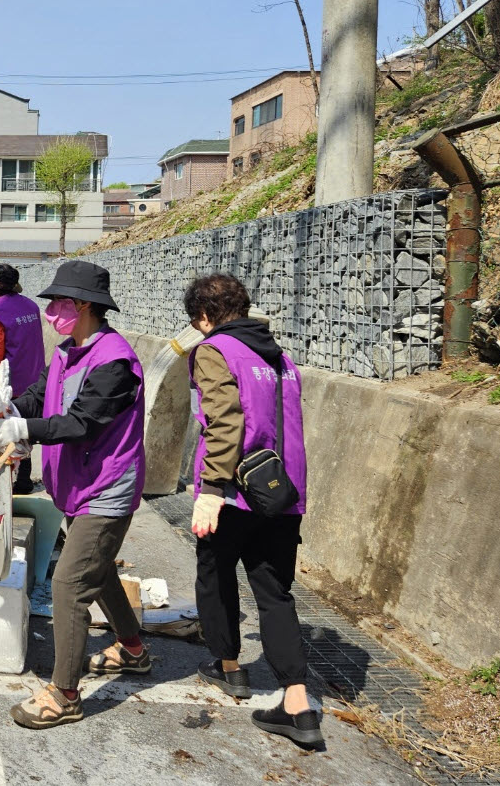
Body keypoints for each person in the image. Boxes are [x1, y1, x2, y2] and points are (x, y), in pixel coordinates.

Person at [0, 260, 152, 729]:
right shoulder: (66, 350)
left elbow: (83, 421)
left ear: (83, 305)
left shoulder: (115, 361)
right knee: (96, 573)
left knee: (68, 582)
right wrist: (2, 408)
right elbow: (41, 396)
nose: (51, 312)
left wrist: (23, 429)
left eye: (58, 303)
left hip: (107, 488)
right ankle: (135, 650)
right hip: (77, 487)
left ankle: (64, 694)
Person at [185, 273, 321, 751]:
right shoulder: (280, 356)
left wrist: (210, 488)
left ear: (204, 317)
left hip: (237, 491)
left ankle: (229, 669)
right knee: (274, 592)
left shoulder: (214, 350)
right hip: (284, 492)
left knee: (216, 572)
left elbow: (226, 421)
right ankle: (299, 706)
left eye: (198, 322)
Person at [0, 263, 44, 495]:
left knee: (6, 433)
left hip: (11, 384)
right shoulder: (31, 306)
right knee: (26, 430)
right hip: (36, 379)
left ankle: (3, 484)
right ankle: (24, 479)